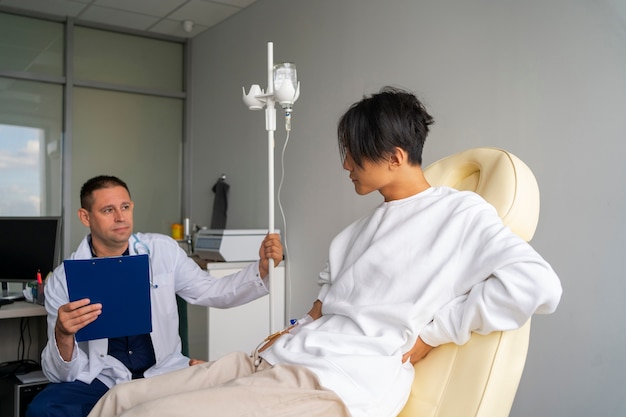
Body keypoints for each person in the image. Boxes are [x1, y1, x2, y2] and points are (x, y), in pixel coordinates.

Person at [86, 87, 562, 417]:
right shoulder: (355, 232)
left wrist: (437, 332)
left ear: (395, 157)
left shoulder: (460, 215)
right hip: (271, 359)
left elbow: (537, 285)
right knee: (117, 402)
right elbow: (323, 306)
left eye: (354, 154)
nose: (345, 165)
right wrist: (294, 326)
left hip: (330, 383)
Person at [26, 175, 283, 417]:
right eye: (108, 210)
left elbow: (211, 291)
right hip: (102, 379)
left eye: (125, 207)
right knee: (45, 407)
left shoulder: (162, 250)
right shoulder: (63, 279)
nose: (120, 217)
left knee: (231, 394)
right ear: (85, 217)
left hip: (164, 373)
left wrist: (260, 270)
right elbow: (58, 372)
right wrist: (63, 334)